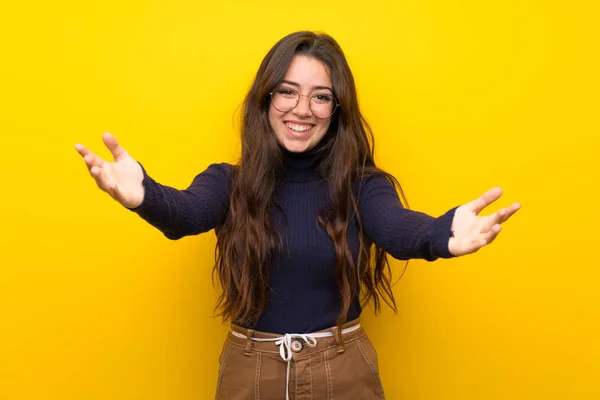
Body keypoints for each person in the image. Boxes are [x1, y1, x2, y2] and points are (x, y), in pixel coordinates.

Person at [75, 31, 520, 400]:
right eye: (287, 91)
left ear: (337, 110)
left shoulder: (362, 185)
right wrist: (143, 195)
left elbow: (398, 228)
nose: (302, 109)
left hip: (343, 371)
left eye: (320, 97)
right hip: (249, 375)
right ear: (266, 99)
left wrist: (442, 234)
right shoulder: (229, 182)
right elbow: (185, 214)